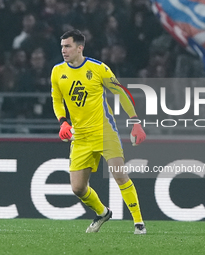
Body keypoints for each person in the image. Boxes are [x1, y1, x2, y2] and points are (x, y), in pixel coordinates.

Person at [51, 29, 147, 234]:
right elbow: (57, 100)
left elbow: (120, 92)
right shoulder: (57, 71)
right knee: (77, 188)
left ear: (79, 47)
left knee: (119, 174)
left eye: (67, 46)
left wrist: (135, 122)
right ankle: (103, 212)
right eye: (62, 47)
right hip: (80, 135)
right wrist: (63, 122)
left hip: (104, 131)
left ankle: (139, 223)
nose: (64, 51)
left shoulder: (98, 68)